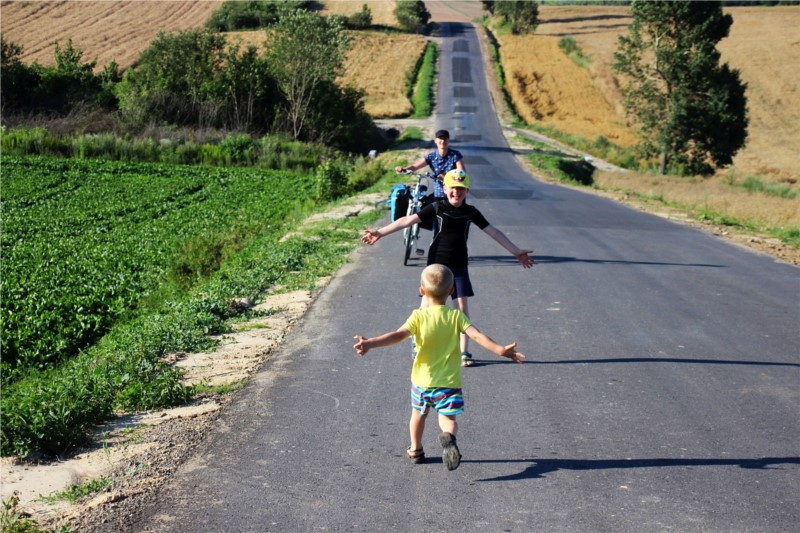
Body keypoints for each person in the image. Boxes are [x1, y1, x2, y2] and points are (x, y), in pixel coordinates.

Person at [353, 264, 525, 471]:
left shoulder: (418, 316)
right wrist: (501, 350)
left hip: (422, 382)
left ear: (422, 291)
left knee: (418, 415)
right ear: (452, 291)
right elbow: (477, 336)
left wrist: (370, 342)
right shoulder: (456, 317)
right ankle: (449, 437)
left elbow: (397, 336)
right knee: (448, 418)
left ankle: (415, 450)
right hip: (449, 383)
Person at [362, 169, 534, 367]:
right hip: (436, 266)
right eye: (453, 188)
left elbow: (493, 232)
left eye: (461, 189)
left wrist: (516, 251)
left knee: (462, 310)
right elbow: (407, 220)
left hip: (459, 265)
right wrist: (380, 232)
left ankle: (464, 353)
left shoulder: (471, 212)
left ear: (467, 191)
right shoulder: (437, 207)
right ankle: (418, 344)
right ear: (445, 188)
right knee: (425, 308)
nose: (456, 192)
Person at [395, 129, 465, 199]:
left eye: (445, 139)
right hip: (439, 193)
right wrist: (403, 170)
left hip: (454, 194)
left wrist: (447, 177)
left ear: (448, 140)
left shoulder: (455, 155)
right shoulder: (431, 156)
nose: (443, 141)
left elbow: (462, 173)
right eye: (440, 138)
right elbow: (414, 167)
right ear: (435, 141)